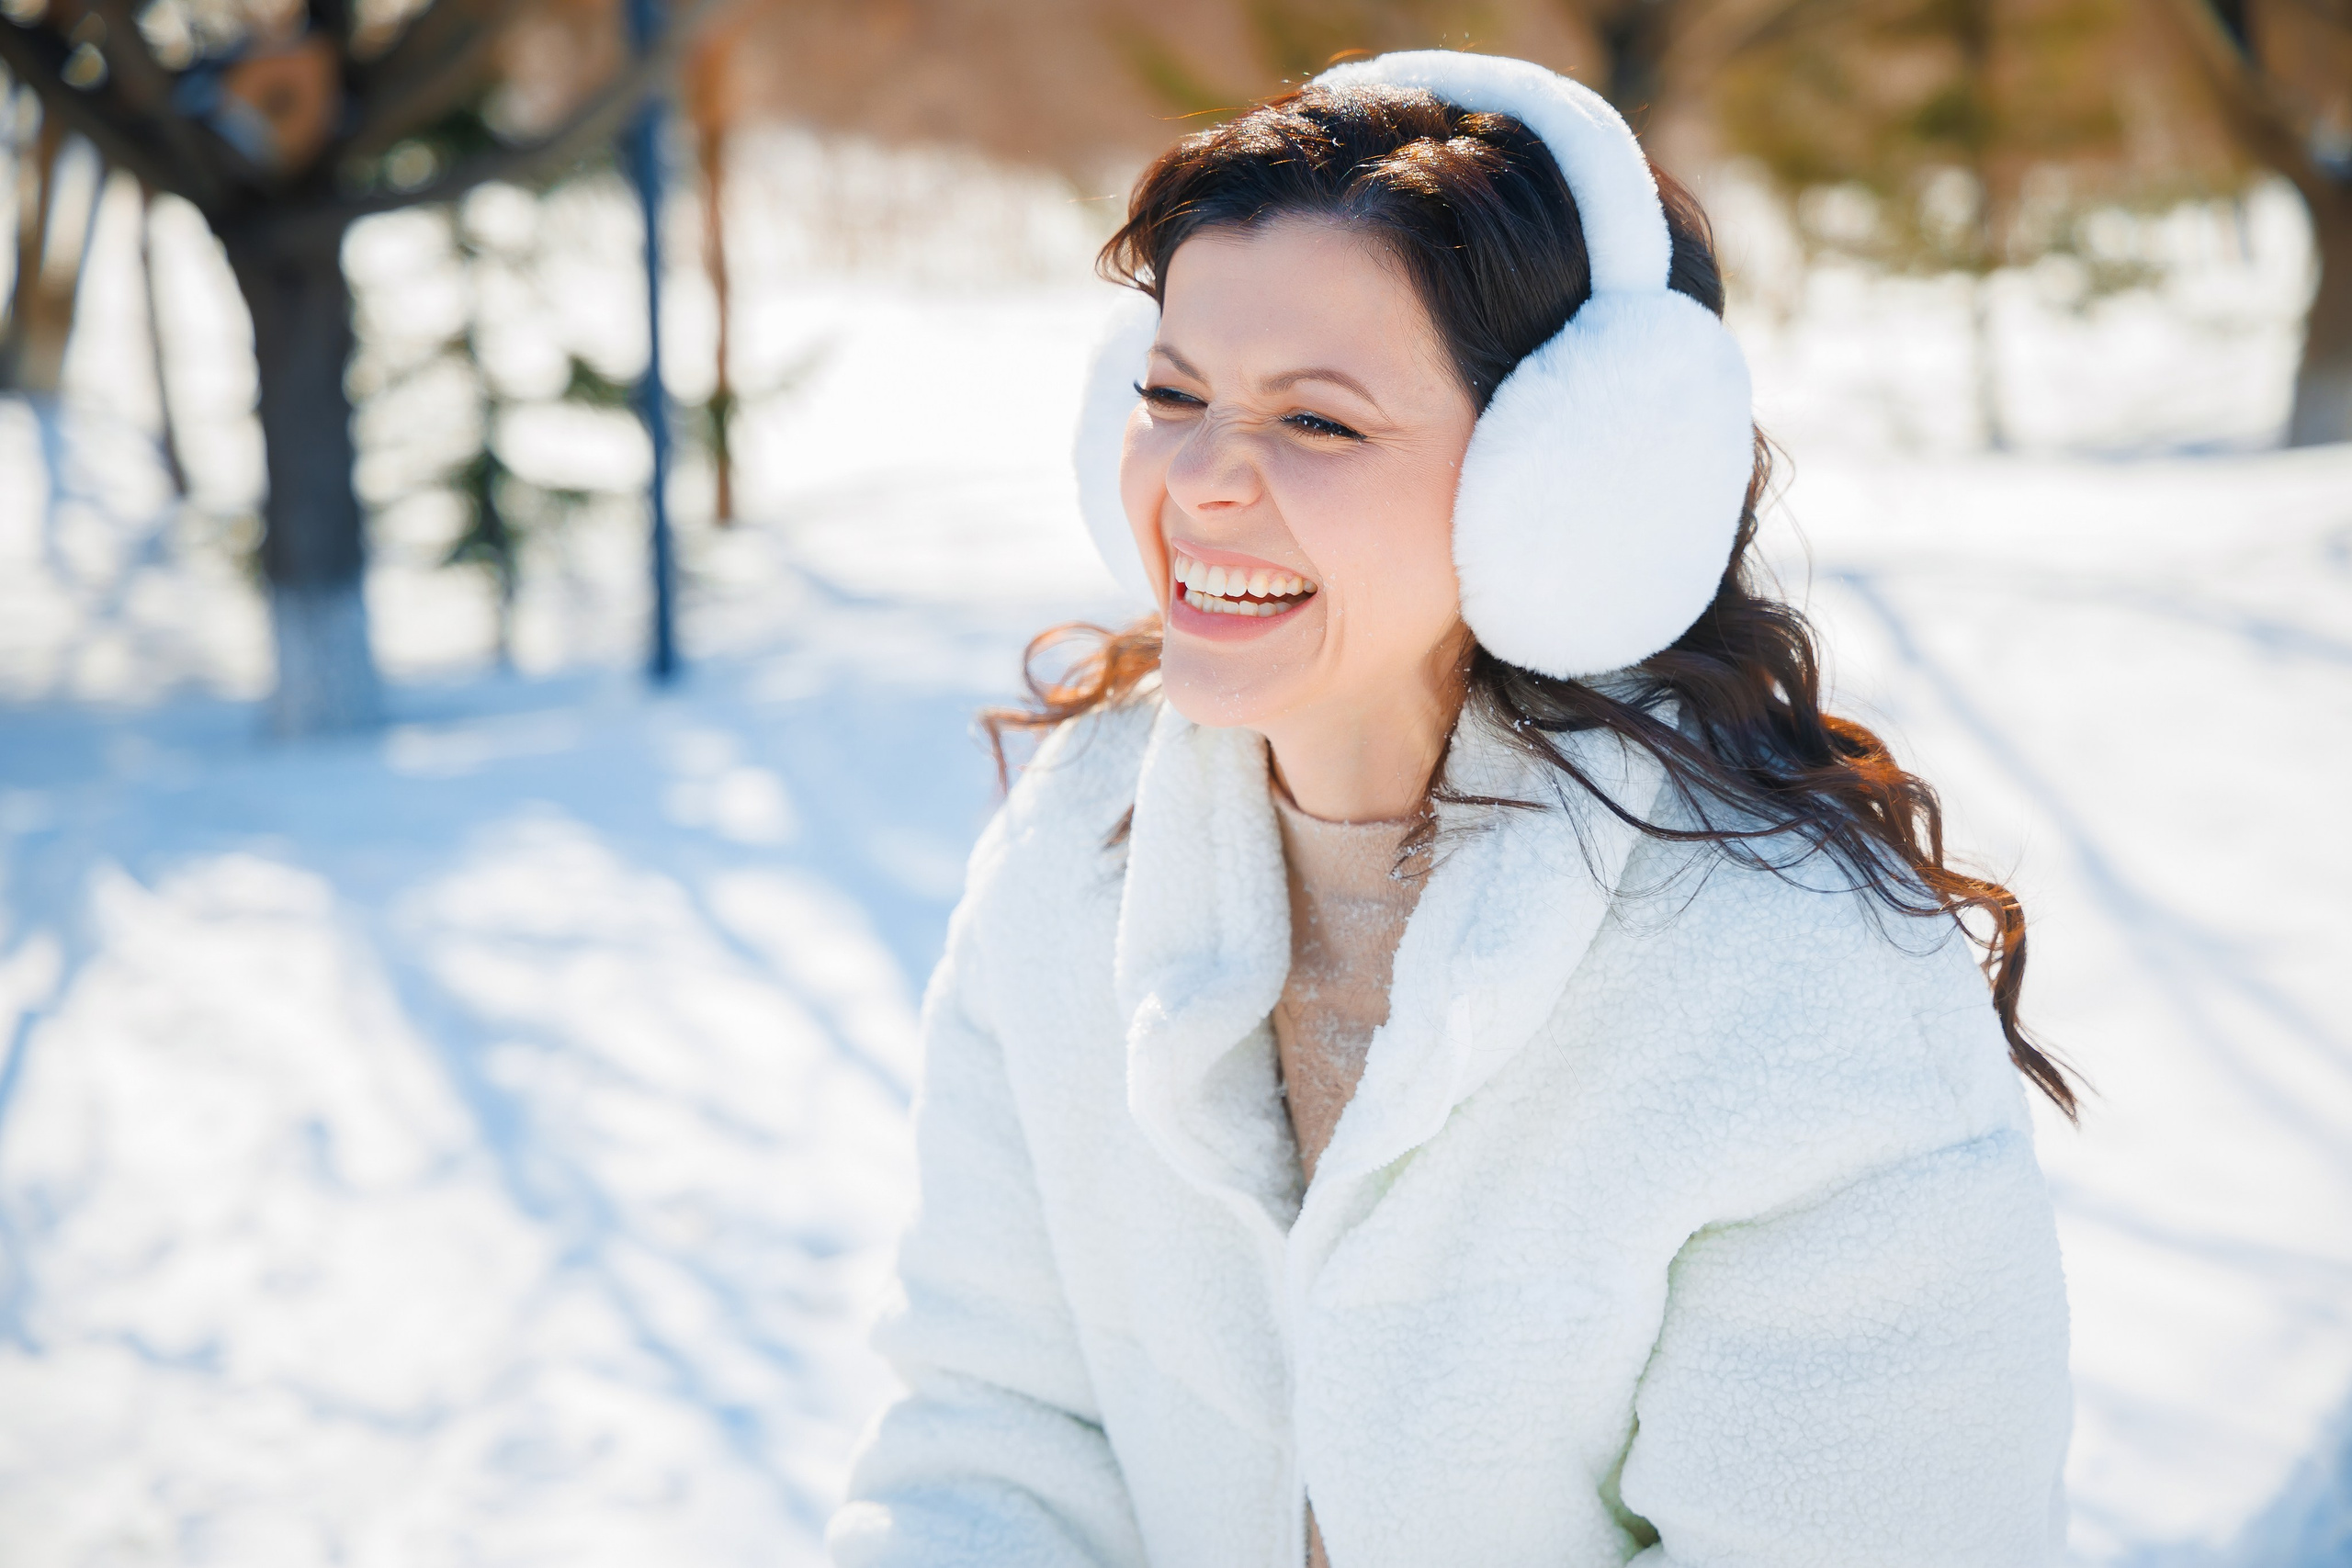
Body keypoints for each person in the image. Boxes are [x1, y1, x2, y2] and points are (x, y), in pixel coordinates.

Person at [829, 51, 2075, 1568]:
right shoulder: (1073, 862)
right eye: (1171, 394)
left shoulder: (1796, 988)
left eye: (1321, 424)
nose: (1202, 477)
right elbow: (995, 1436)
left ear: (1563, 487)